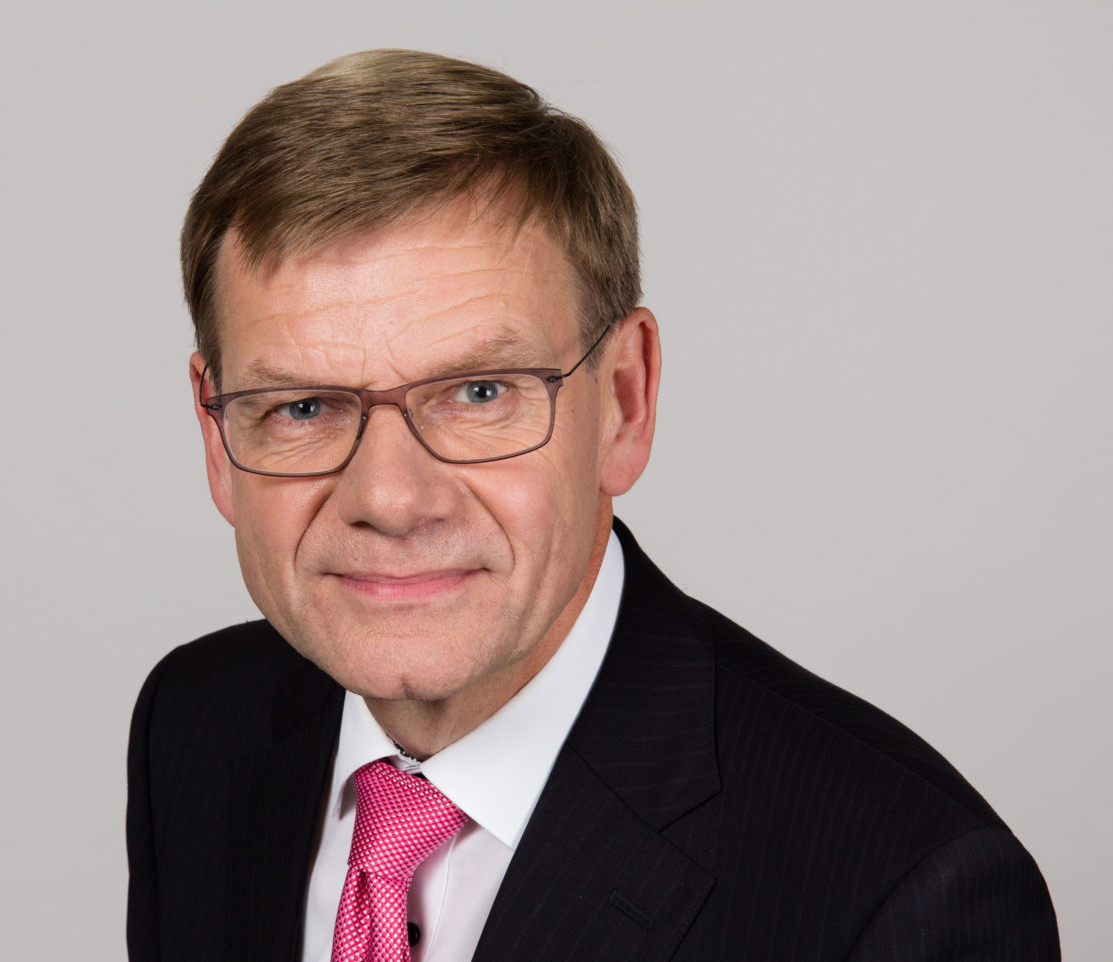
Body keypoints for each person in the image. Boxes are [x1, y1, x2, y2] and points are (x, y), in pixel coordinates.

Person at [127, 49, 1059, 961]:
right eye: (302, 407)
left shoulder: (905, 894)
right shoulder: (196, 723)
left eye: (480, 392)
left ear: (624, 402)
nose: (391, 500)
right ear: (215, 436)